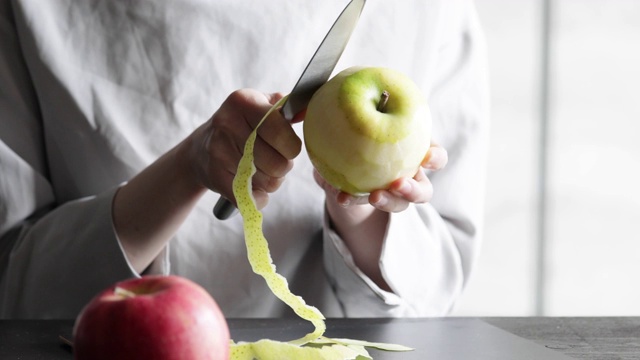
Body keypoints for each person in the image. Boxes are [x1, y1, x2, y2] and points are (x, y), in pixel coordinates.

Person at [0, 0, 489, 319]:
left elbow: (435, 294)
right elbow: (13, 285)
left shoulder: (431, 10)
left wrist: (359, 195)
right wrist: (187, 168)